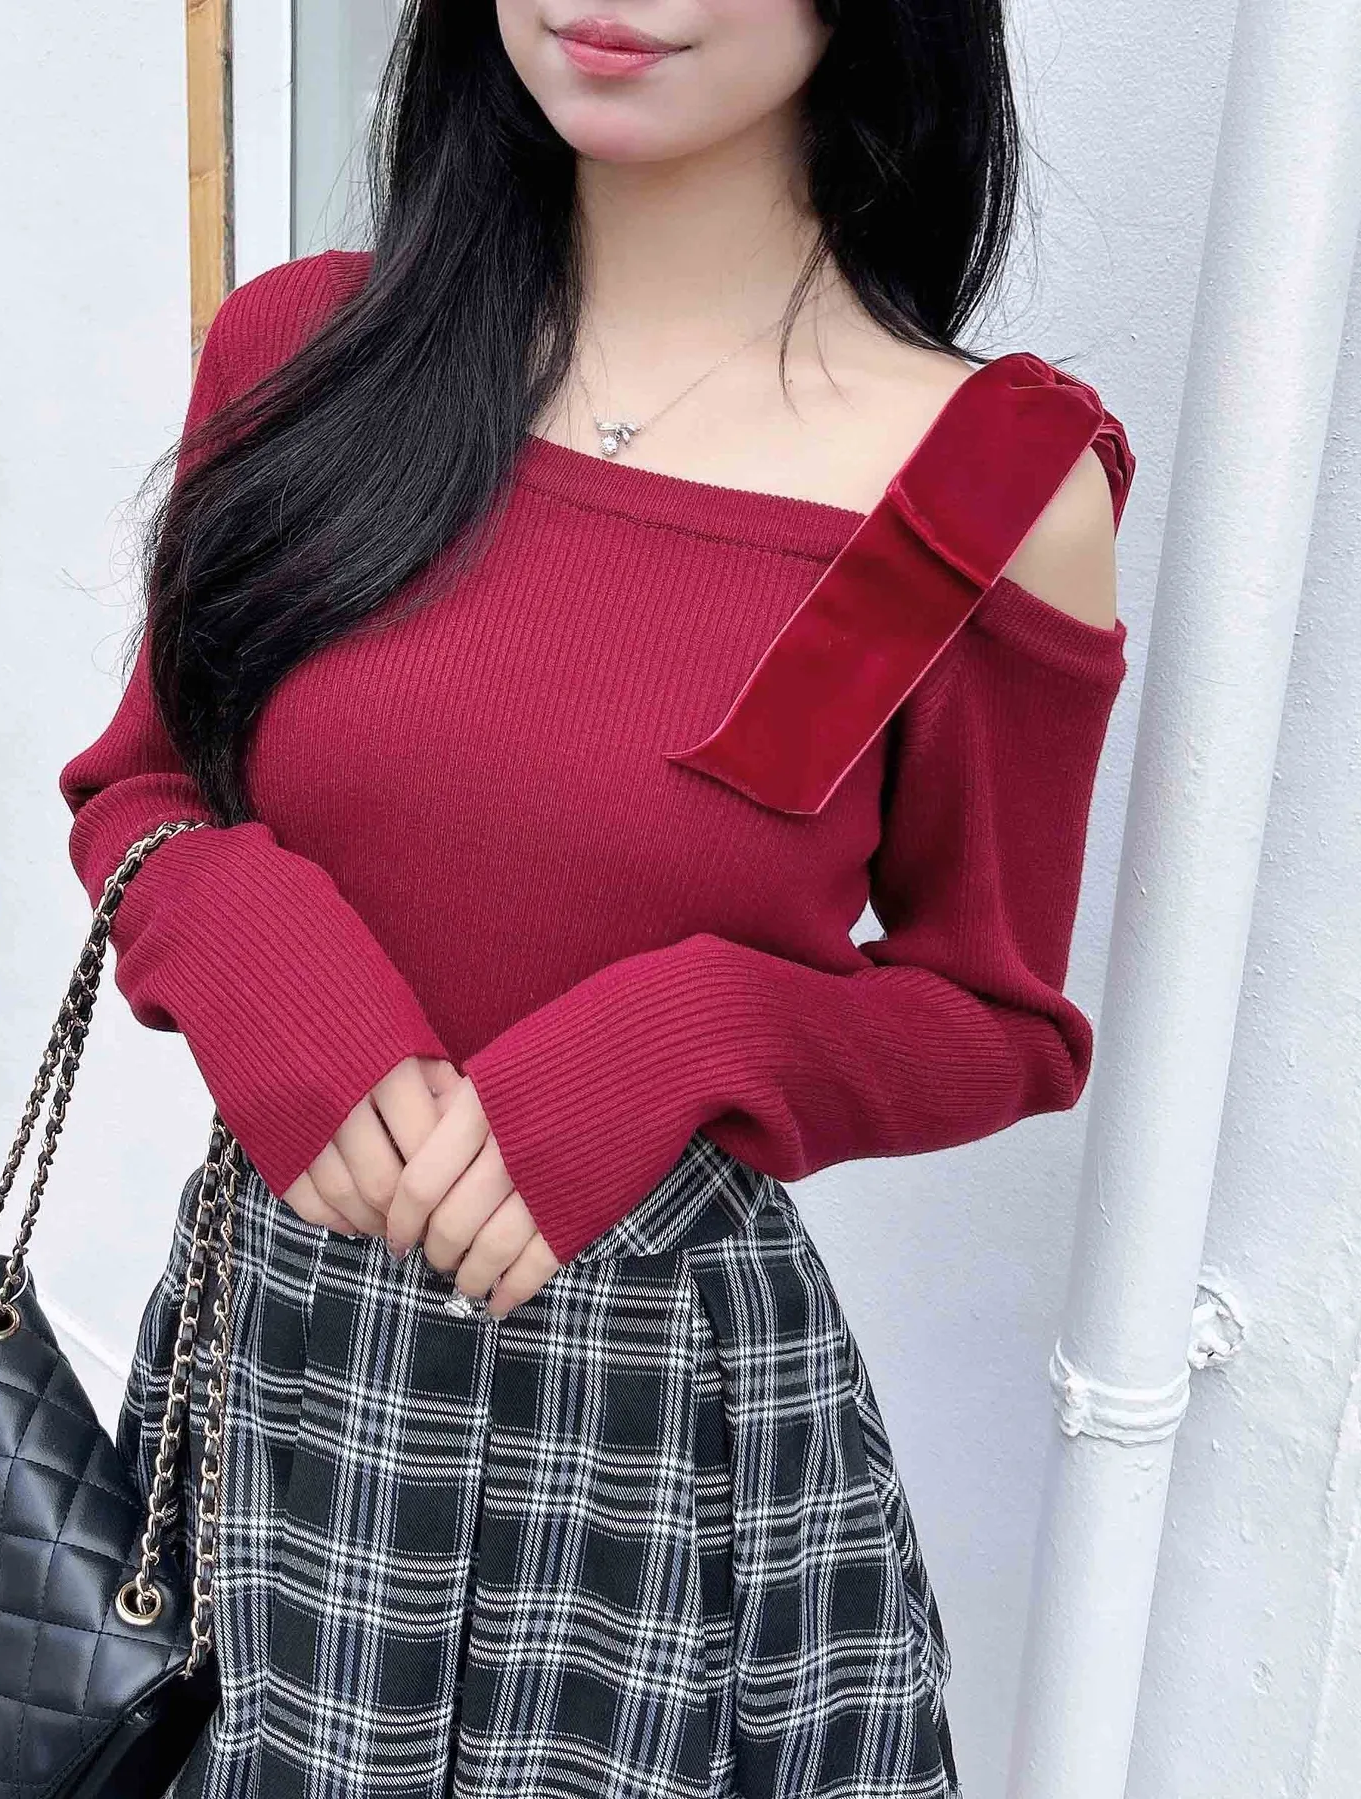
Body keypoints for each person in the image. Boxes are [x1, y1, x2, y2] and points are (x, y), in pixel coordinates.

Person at [60, 4, 1135, 1795]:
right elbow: (143, 784)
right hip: (283, 1360)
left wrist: (698, 1031)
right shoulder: (304, 351)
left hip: (659, 1426)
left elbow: (1000, 1016)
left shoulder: (990, 488)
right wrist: (243, 939)